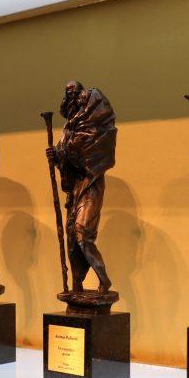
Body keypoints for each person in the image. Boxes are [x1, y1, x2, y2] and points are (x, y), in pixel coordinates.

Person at [47, 80, 117, 293]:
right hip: (75, 188)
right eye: (68, 94)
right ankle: (77, 283)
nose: (72, 98)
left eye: (75, 93)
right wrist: (55, 155)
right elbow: (66, 155)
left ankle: (104, 279)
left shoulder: (93, 125)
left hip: (91, 184)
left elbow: (83, 152)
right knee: (72, 238)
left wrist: (62, 152)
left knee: (82, 232)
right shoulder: (69, 128)